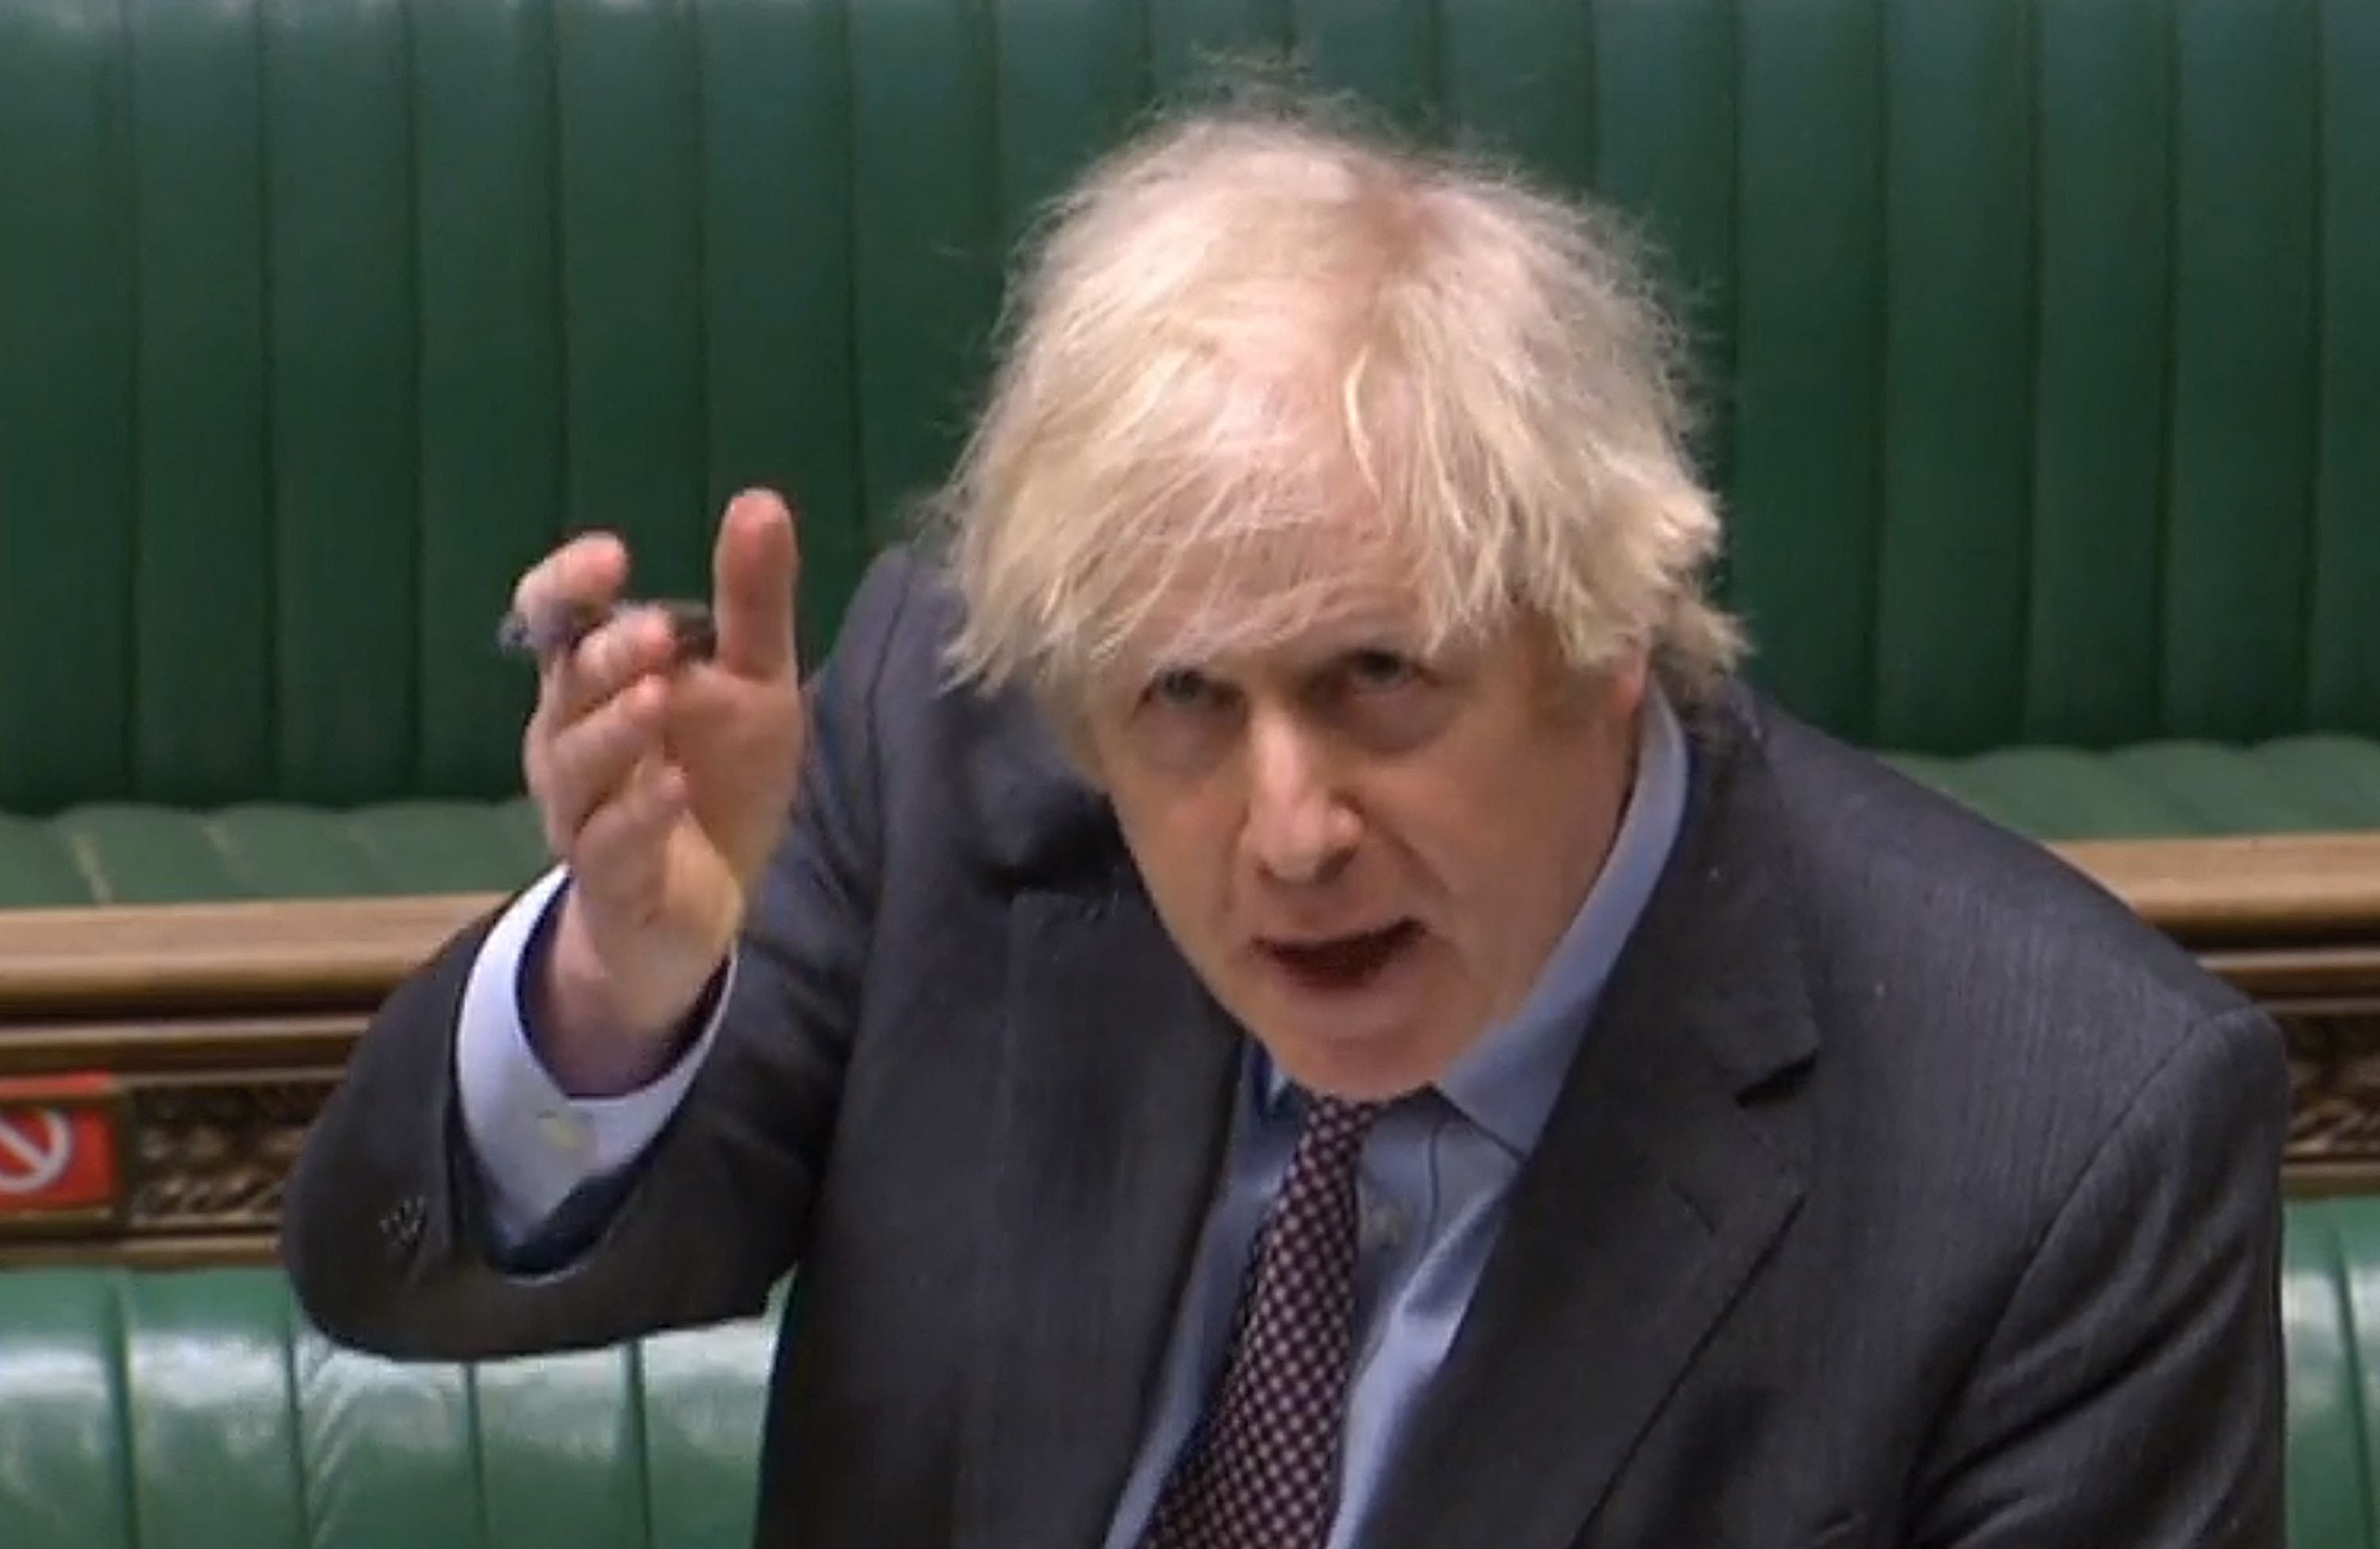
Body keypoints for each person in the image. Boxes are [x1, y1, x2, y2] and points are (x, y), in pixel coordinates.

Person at [282, 102, 2288, 1549]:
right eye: (1185, 702)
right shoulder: (964, 764)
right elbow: (402, 1277)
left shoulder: (2067, 1138)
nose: (1291, 829)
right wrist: (622, 982)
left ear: (1606, 634)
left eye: (1377, 678)